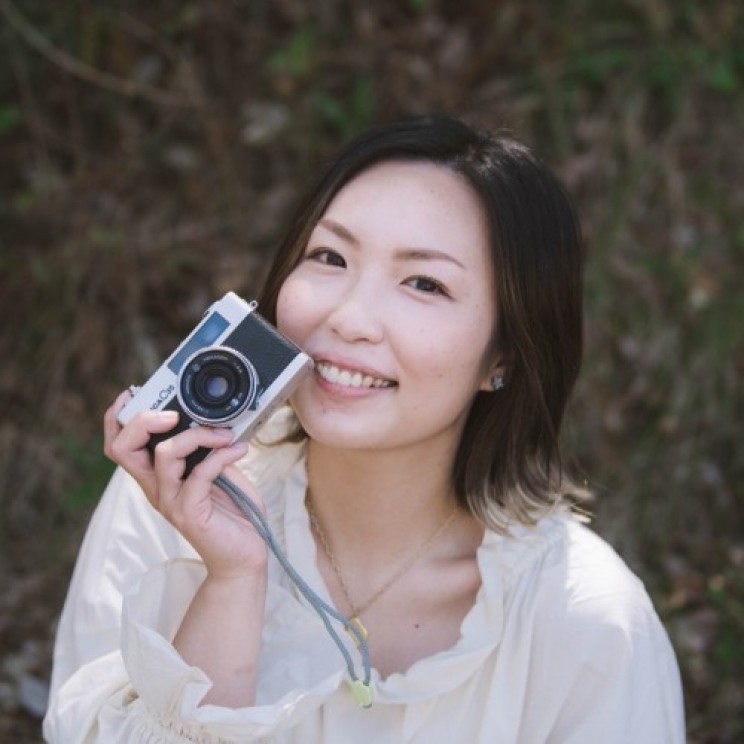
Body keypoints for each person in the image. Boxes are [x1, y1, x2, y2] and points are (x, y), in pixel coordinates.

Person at [43, 114, 685, 743]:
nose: (349, 317)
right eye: (329, 256)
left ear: (504, 354)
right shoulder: (175, 498)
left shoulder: (584, 621)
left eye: (425, 283)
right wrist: (232, 583)